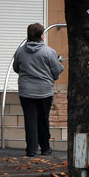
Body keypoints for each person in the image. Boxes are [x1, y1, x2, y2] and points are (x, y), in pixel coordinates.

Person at [12, 22, 64, 157]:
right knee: (43, 119)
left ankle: (31, 149)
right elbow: (56, 70)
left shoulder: (20, 51)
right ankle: (45, 148)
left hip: (26, 91)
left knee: (30, 120)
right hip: (44, 91)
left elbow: (16, 68)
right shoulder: (49, 52)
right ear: (42, 35)